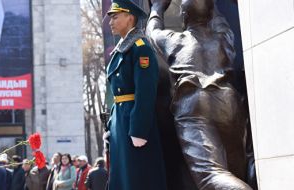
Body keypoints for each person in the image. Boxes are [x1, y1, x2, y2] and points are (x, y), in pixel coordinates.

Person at [147, 0, 251, 189]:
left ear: (184, 16)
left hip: (194, 101)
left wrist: (157, 7)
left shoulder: (174, 39)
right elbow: (217, 17)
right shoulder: (223, 36)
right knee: (237, 173)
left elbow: (152, 32)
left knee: (211, 175)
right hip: (229, 101)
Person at [104, 0, 168, 189]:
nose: (110, 21)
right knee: (122, 178)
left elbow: (145, 91)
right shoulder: (122, 48)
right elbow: (117, 94)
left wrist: (139, 129)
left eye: (115, 17)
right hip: (121, 122)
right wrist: (111, 124)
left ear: (130, 17)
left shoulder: (140, 47)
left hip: (134, 123)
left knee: (137, 177)